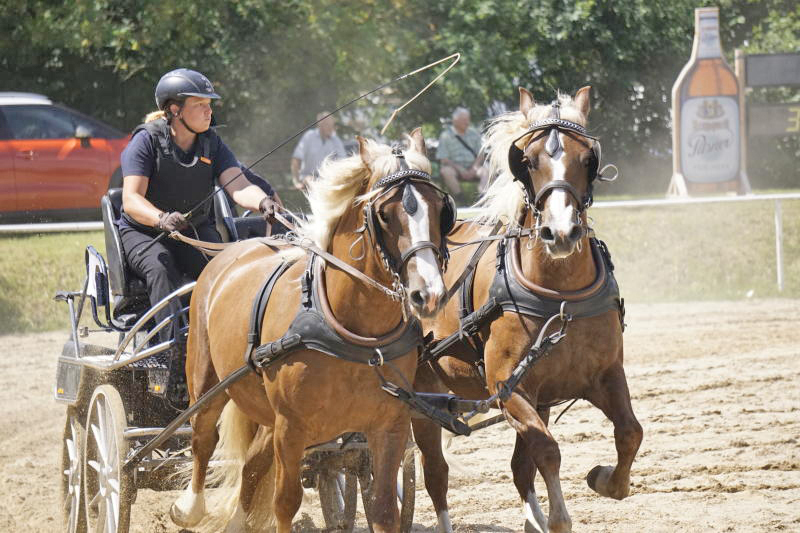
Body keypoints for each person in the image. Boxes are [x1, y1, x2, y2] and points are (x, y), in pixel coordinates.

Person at [119, 68, 279, 341]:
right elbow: (131, 199)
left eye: (209, 104)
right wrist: (161, 218)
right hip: (146, 233)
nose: (209, 111)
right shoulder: (146, 141)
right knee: (161, 268)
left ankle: (230, 341)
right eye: (200, 104)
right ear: (175, 110)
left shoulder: (212, 143)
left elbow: (238, 186)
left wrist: (262, 202)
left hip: (191, 230)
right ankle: (172, 351)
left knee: (225, 268)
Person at [437, 107, 489, 201]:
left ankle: (481, 198)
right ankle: (460, 198)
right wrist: (460, 169)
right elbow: (444, 159)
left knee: (486, 170)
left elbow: (481, 153)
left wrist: (474, 167)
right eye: (464, 120)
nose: (467, 122)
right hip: (454, 168)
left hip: (473, 167)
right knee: (446, 171)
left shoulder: (474, 133)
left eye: (468, 119)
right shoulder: (445, 135)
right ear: (455, 121)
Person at [290, 112, 346, 190]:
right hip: (309, 177)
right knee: (312, 182)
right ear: (320, 124)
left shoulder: (336, 140)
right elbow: (296, 159)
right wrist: (296, 182)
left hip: (329, 179)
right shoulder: (309, 136)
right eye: (327, 125)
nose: (330, 128)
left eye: (332, 125)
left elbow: (343, 162)